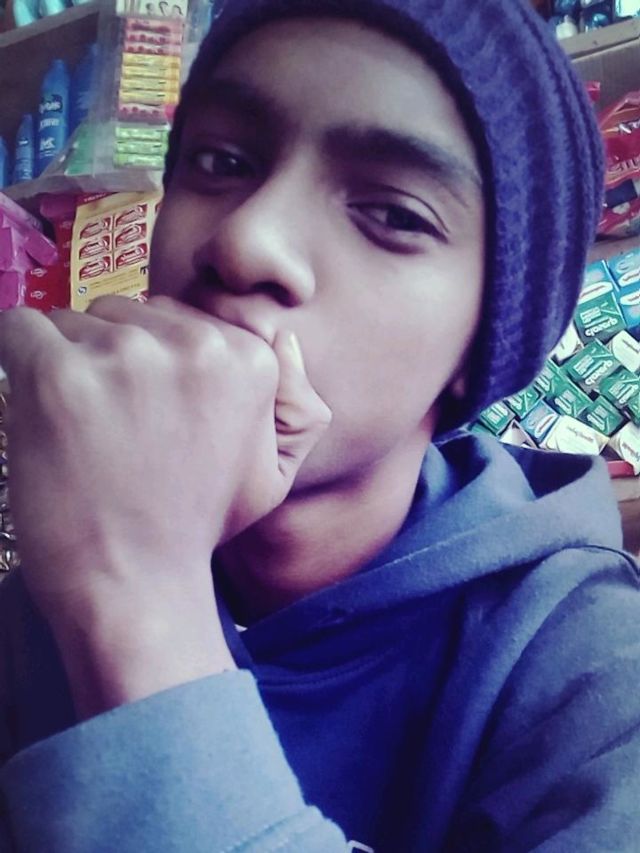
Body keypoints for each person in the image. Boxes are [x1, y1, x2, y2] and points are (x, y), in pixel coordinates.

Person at [0, 0, 639, 850]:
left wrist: (142, 605)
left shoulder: (597, 674)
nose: (247, 238)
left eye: (394, 214)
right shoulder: (55, 582)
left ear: (482, 339)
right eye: (220, 161)